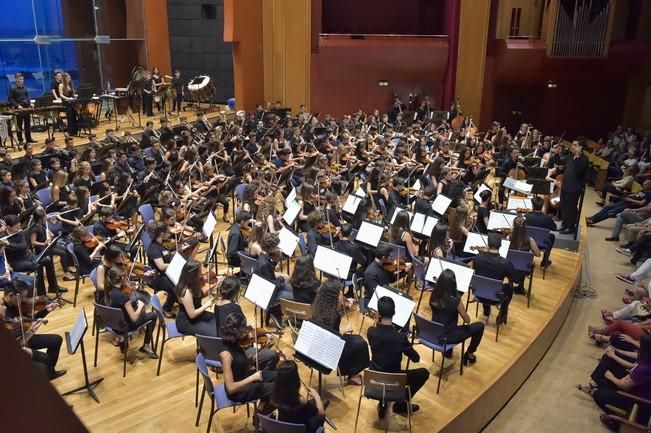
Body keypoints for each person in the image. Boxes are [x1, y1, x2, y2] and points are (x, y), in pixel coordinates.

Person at [367, 296, 429, 418]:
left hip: (375, 379)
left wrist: (377, 321)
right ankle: (400, 405)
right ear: (394, 313)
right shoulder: (399, 338)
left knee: (383, 365)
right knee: (424, 373)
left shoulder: (371, 332)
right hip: (395, 381)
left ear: (378, 313)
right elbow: (415, 359)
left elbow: (380, 335)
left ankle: (383, 404)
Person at [578, 334, 651, 431]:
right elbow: (633, 366)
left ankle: (617, 423)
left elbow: (624, 386)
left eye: (640, 345)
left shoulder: (644, 368)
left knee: (598, 393)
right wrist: (616, 353)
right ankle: (594, 382)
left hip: (637, 401)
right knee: (607, 364)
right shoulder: (646, 360)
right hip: (635, 388)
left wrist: (611, 376)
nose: (638, 345)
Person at [1, 284, 66, 380]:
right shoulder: (2, 311)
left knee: (56, 340)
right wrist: (31, 331)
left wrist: (46, 310)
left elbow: (28, 320)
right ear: (11, 295)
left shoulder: (15, 305)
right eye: (21, 297)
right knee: (44, 362)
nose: (24, 300)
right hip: (17, 344)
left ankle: (50, 373)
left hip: (24, 337)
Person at [312, 278, 369, 385]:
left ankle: (352, 373)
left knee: (356, 339)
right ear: (332, 297)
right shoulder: (332, 316)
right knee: (361, 344)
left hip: (321, 342)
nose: (341, 297)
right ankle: (353, 374)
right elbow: (334, 339)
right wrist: (344, 332)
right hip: (329, 350)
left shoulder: (318, 306)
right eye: (338, 294)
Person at [218, 313, 277, 411]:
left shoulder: (235, 341)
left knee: (281, 376)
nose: (246, 331)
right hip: (240, 391)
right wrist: (252, 378)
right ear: (235, 330)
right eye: (243, 328)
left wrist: (264, 348)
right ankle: (262, 415)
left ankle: (263, 404)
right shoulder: (226, 355)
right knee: (279, 388)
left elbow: (239, 362)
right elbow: (230, 388)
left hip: (246, 376)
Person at [429, 269, 484, 365]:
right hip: (448, 336)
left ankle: (448, 353)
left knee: (447, 321)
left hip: (435, 333)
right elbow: (467, 320)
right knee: (480, 326)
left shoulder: (434, 295)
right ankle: (469, 354)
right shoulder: (456, 301)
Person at [4, 214, 64, 297]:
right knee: (37, 266)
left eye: (19, 226)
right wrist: (7, 244)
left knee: (47, 261)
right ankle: (42, 295)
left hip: (26, 256)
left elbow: (23, 245)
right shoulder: (3, 236)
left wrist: (9, 244)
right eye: (16, 227)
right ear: (9, 227)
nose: (19, 229)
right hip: (15, 261)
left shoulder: (19, 233)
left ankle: (53, 287)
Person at [107, 267, 158, 358]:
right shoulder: (123, 297)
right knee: (153, 315)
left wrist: (129, 285)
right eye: (126, 277)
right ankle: (146, 346)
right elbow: (134, 318)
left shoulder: (110, 291)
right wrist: (141, 306)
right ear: (122, 278)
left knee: (135, 305)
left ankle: (122, 340)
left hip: (115, 325)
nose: (128, 278)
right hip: (127, 326)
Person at [270, 360, 326, 433]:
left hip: (284, 428)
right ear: (295, 380)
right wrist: (317, 396)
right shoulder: (301, 401)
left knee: (311, 404)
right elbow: (321, 414)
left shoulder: (275, 394)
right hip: (303, 430)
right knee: (320, 412)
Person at [472, 232, 514, 324]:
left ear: (488, 244)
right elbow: (513, 278)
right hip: (496, 297)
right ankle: (502, 313)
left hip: (479, 294)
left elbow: (477, 272)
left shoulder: (478, 258)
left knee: (485, 279)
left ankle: (486, 310)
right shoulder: (505, 263)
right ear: (501, 245)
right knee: (510, 287)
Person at [174, 259, 217, 336]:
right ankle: (205, 346)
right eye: (199, 272)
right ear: (193, 275)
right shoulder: (186, 292)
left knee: (217, 319)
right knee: (213, 333)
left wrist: (213, 288)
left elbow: (199, 296)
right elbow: (192, 314)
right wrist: (206, 305)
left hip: (197, 316)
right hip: (187, 322)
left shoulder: (193, 284)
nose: (201, 274)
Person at [556, 140, 588, 235]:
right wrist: (558, 153)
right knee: (563, 206)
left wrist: (577, 158)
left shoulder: (584, 159)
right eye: (572, 144)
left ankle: (571, 227)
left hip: (574, 188)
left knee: (571, 208)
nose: (572, 146)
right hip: (565, 186)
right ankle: (565, 224)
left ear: (580, 147)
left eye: (575, 145)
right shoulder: (570, 156)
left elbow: (579, 171)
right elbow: (560, 162)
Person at [525, 196, 556, 267]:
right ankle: (544, 262)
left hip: (528, 242)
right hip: (541, 243)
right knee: (552, 236)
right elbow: (554, 228)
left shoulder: (527, 216)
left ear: (532, 206)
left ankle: (526, 258)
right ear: (542, 206)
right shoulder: (546, 218)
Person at [8, 73, 35, 144]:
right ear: (16, 79)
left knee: (27, 125)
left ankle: (28, 139)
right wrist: (17, 105)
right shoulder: (13, 88)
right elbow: (10, 100)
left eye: (22, 79)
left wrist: (30, 104)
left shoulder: (25, 88)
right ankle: (20, 140)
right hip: (19, 110)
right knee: (19, 126)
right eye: (20, 79)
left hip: (26, 108)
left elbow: (26, 98)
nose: (22, 80)